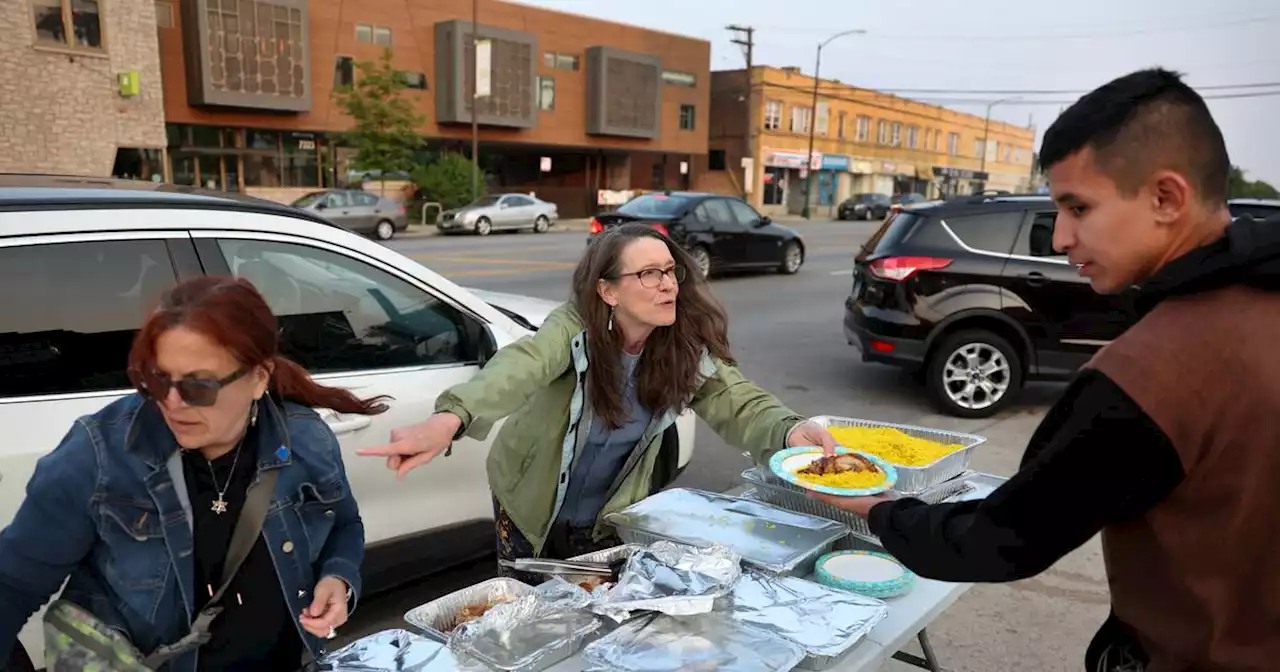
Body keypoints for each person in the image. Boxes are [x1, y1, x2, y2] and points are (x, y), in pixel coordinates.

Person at [817, 68, 1280, 672]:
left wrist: (879, 511)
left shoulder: (1146, 379)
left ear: (1166, 198)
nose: (1060, 237)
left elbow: (1002, 540)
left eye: (1078, 208)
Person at [360, 224, 837, 575]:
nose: (669, 284)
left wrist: (791, 429)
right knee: (528, 603)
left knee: (595, 604)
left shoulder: (680, 344)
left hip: (612, 505)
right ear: (607, 291)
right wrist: (451, 418)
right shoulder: (570, 329)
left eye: (670, 271)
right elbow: (519, 366)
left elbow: (736, 398)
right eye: (649, 274)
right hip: (530, 497)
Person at [0, 277, 386, 671]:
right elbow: (11, 584)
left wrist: (338, 578)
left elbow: (344, 524)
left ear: (259, 377)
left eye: (199, 385)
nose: (172, 403)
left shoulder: (305, 441)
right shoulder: (100, 454)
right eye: (157, 379)